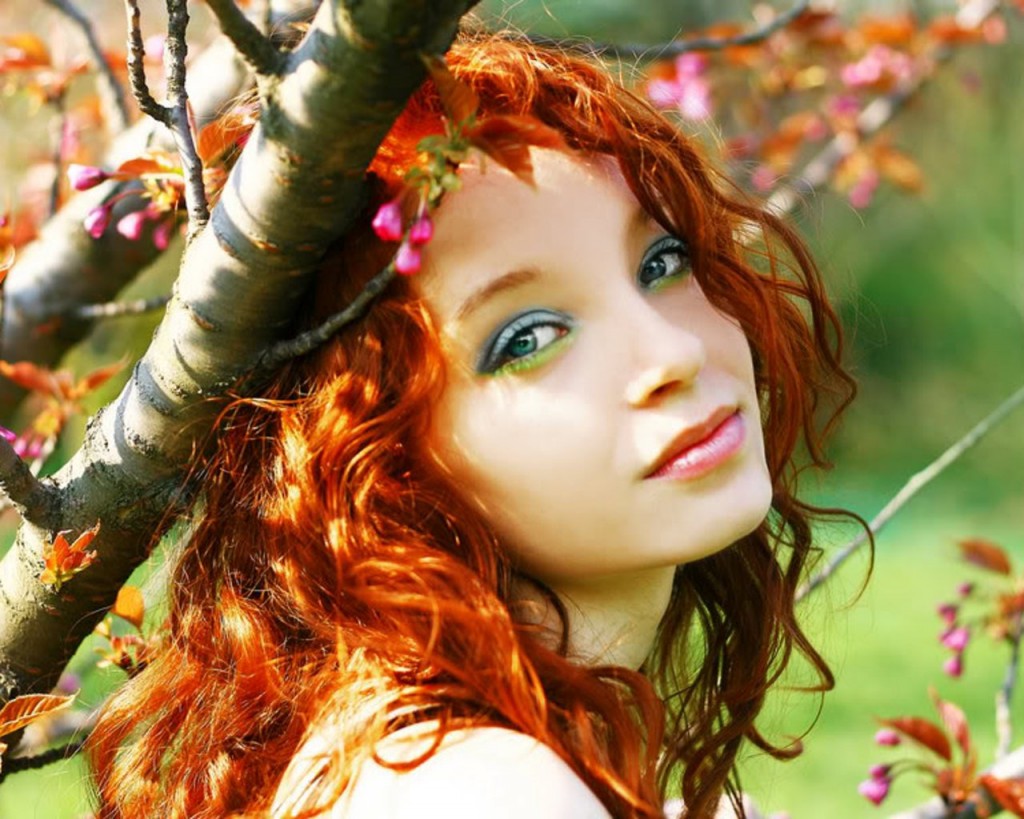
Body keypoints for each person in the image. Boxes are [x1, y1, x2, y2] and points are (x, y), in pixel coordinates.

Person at [87, 27, 859, 819]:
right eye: (526, 338)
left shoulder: (422, 754)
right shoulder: (487, 789)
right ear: (376, 457)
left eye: (661, 262)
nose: (672, 352)